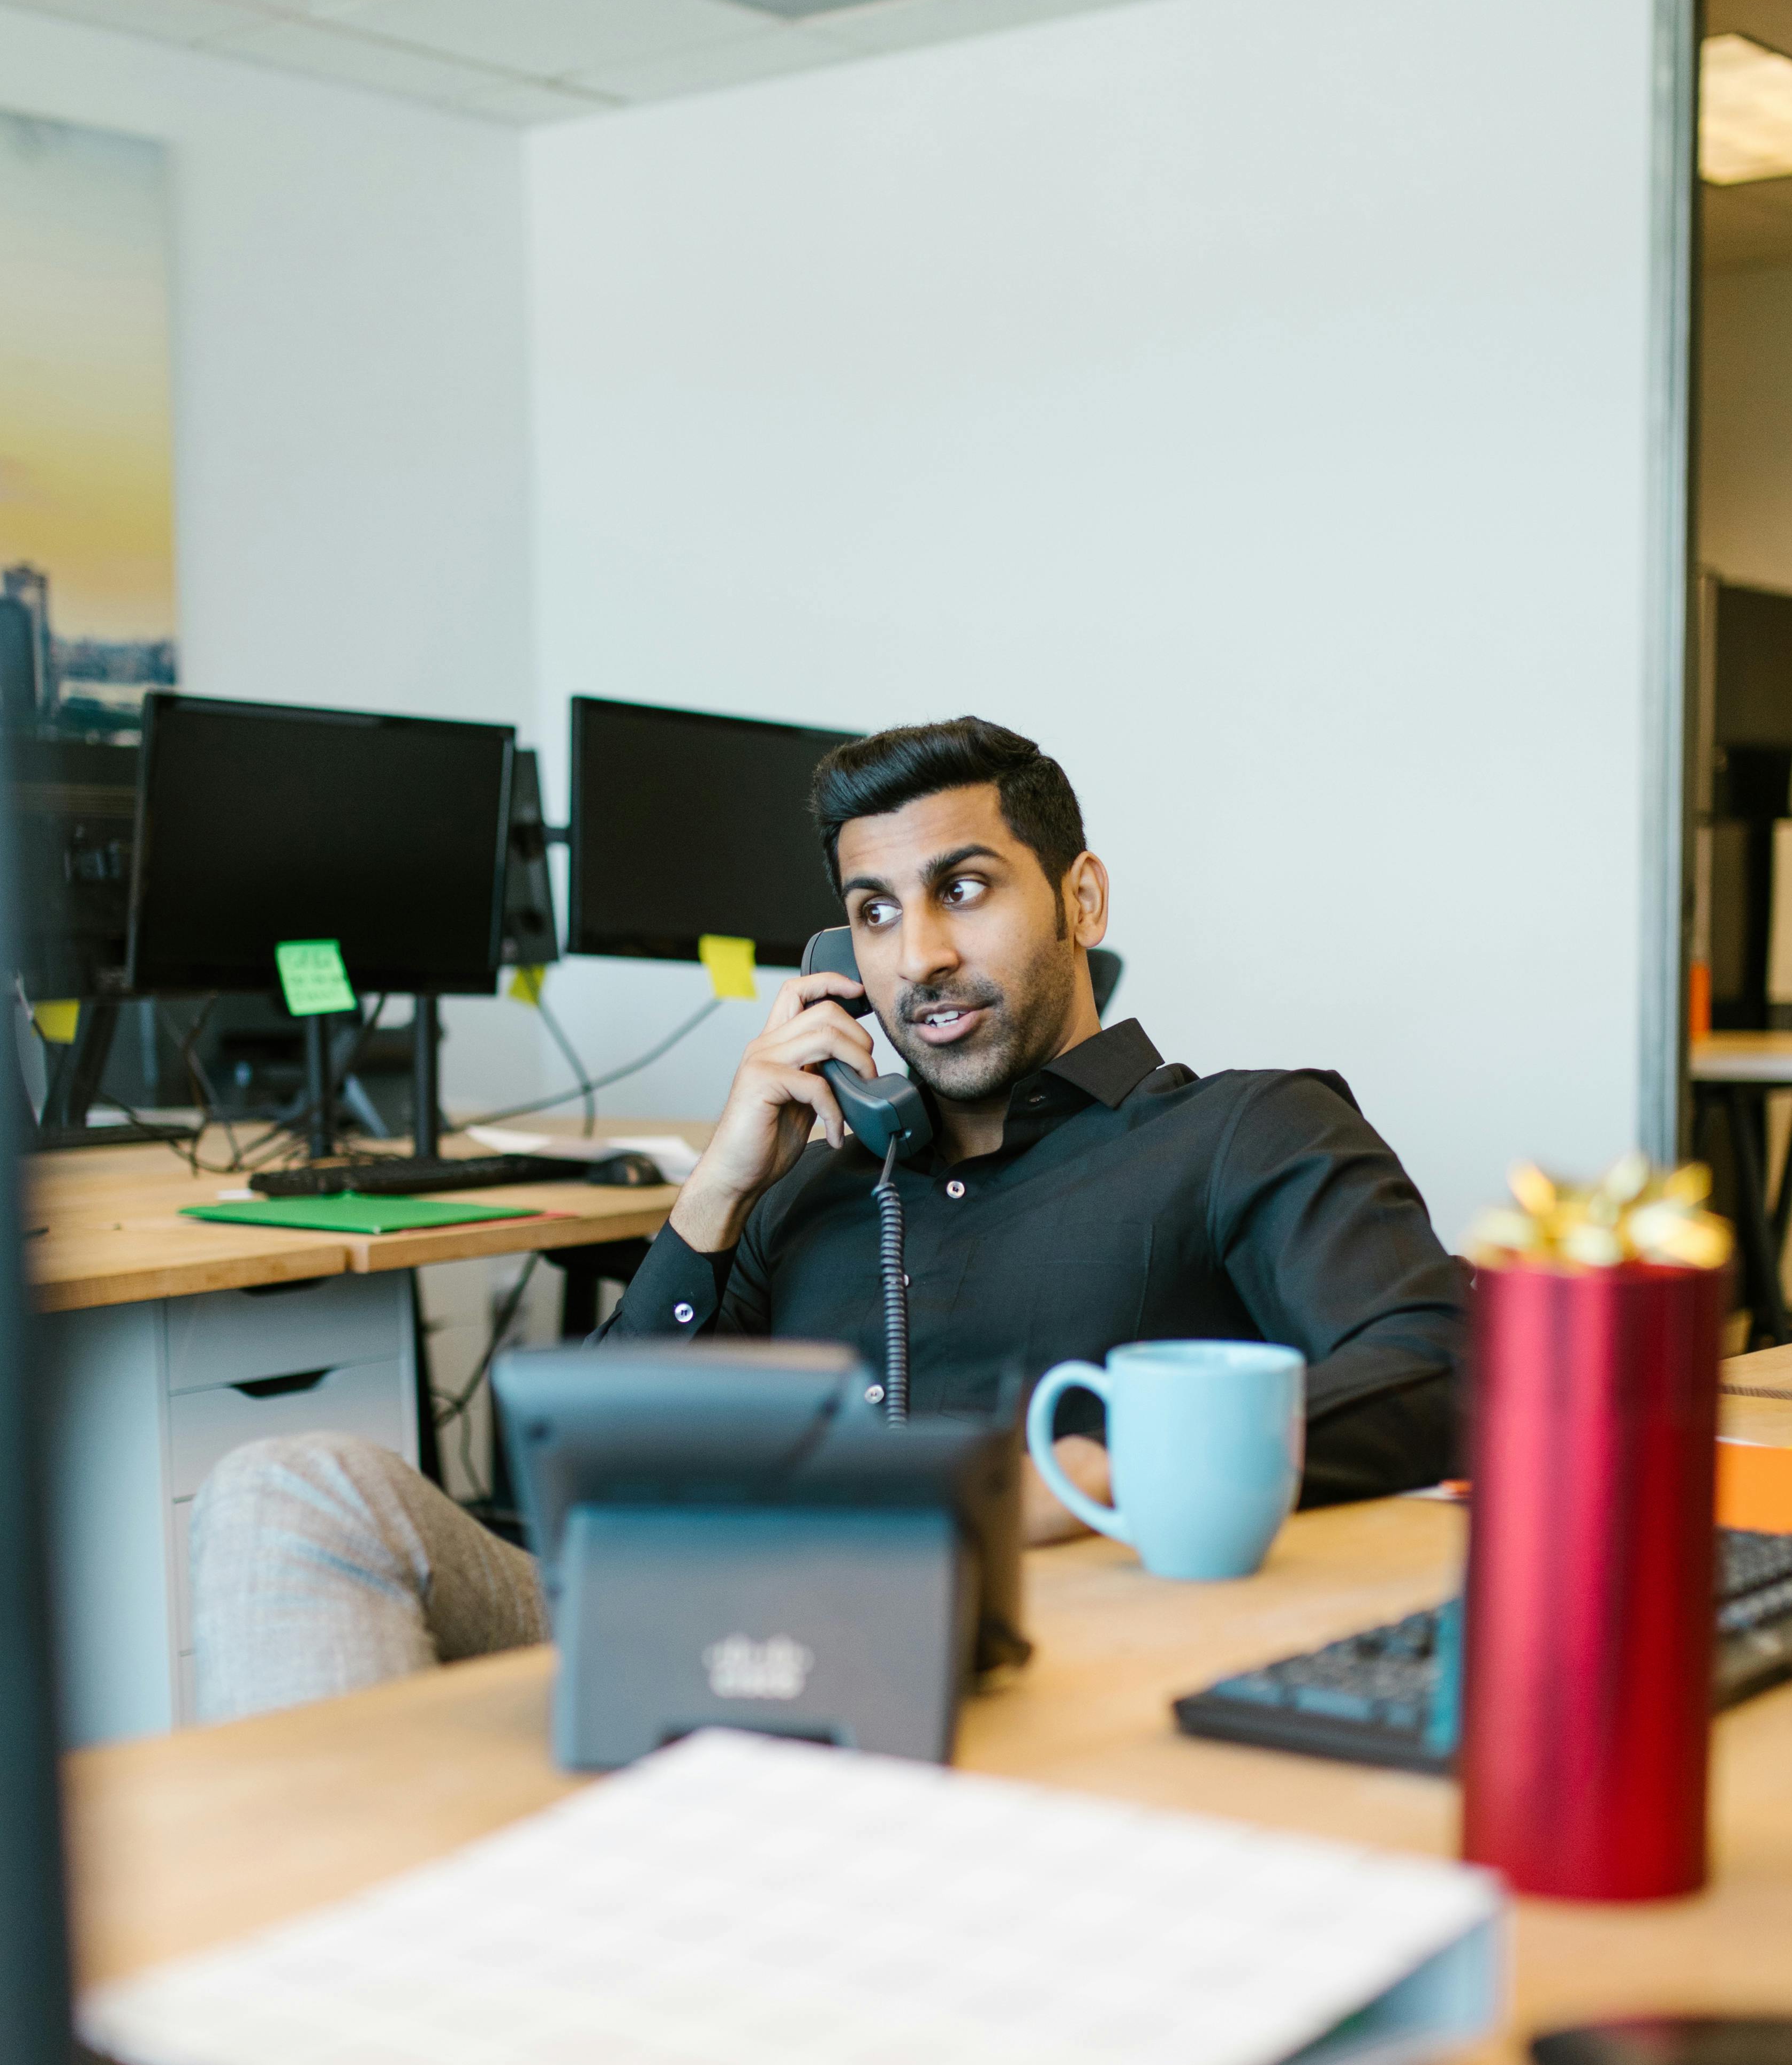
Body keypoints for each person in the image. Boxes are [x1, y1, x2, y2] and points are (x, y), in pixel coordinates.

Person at [190, 715, 1468, 1720]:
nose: (916, 957)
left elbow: (1439, 1367)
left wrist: (1099, 1473)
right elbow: (587, 1483)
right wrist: (717, 1193)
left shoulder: (1243, 1131)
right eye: (873, 913)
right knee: (288, 1487)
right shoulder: (811, 1186)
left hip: (1013, 1658)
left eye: (962, 889)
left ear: (1080, 899)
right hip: (711, 1617)